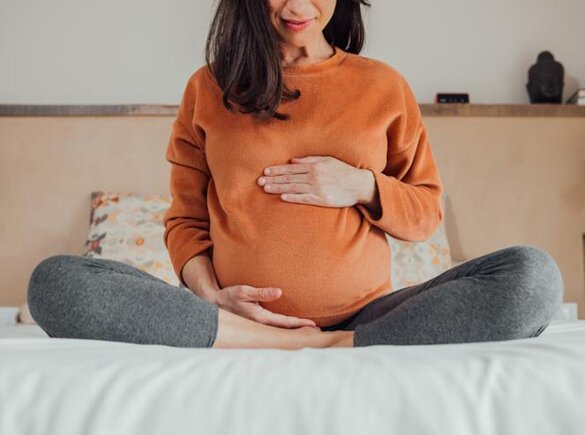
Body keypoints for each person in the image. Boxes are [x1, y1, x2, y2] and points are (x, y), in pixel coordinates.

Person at [27, 0, 564, 349]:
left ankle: (341, 343)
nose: (298, 5)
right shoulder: (208, 88)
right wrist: (209, 295)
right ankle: (261, 339)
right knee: (55, 283)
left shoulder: (383, 86)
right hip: (232, 323)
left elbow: (425, 213)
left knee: (534, 279)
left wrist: (361, 186)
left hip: (369, 317)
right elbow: (186, 220)